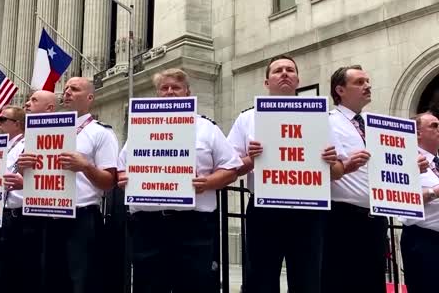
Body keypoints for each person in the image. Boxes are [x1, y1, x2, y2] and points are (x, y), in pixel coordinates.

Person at [116, 68, 243, 292]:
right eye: (164, 88)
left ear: (187, 93)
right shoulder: (141, 130)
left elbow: (231, 168)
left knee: (195, 286)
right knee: (149, 286)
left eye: (176, 88)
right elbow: (121, 168)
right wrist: (124, 177)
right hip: (149, 227)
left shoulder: (207, 128)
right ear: (157, 95)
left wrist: (209, 182)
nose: (170, 92)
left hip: (193, 227)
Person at [227, 55, 343, 293]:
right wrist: (252, 159)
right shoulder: (247, 118)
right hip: (264, 210)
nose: (284, 73)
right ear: (267, 82)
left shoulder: (320, 117)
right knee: (260, 277)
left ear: (298, 80)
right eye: (278, 70)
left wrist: (330, 162)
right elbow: (231, 167)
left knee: (307, 279)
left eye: (290, 70)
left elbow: (337, 172)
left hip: (308, 211)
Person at [323, 65, 427, 293]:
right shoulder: (327, 121)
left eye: (368, 81)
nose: (367, 86)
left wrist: (411, 168)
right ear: (340, 89)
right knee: (340, 283)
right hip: (341, 218)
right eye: (359, 82)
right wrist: (345, 165)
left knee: (372, 283)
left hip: (375, 219)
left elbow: (388, 167)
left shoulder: (376, 125)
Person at [17, 78, 119, 293]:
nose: (68, 92)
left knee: (80, 281)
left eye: (75, 89)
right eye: (66, 89)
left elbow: (110, 182)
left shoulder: (101, 132)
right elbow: (31, 176)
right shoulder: (45, 131)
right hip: (46, 217)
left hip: (81, 218)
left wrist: (86, 166)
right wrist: (22, 167)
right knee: (49, 281)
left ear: (90, 98)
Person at [400, 112, 439, 293]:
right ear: (417, 133)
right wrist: (434, 192)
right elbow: (400, 199)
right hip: (424, 242)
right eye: (434, 125)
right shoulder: (405, 161)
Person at [0, 105, 27, 290]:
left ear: (17, 124)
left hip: (19, 213)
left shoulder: (26, 144)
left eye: (3, 119)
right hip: (0, 212)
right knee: (0, 267)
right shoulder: (3, 147)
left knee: (15, 269)